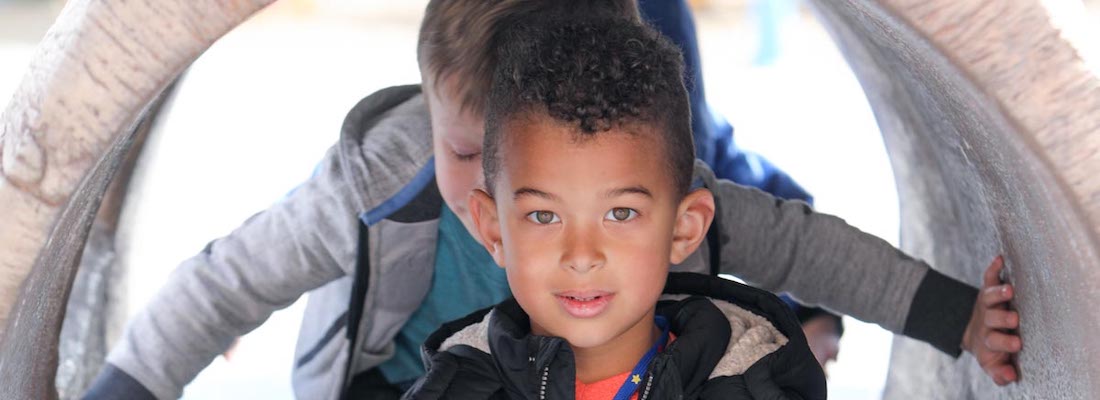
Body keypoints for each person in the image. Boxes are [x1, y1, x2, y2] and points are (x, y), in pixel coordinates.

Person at [84, 1, 1020, 399]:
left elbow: (795, 244)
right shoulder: (384, 174)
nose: (494, 198)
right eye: (468, 155)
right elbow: (227, 283)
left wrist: (958, 317)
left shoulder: (635, 177)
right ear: (430, 99)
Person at [403, 17, 827, 399]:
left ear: (684, 228)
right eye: (544, 216)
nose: (582, 256)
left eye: (620, 214)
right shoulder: (454, 388)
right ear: (494, 230)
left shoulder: (750, 386)